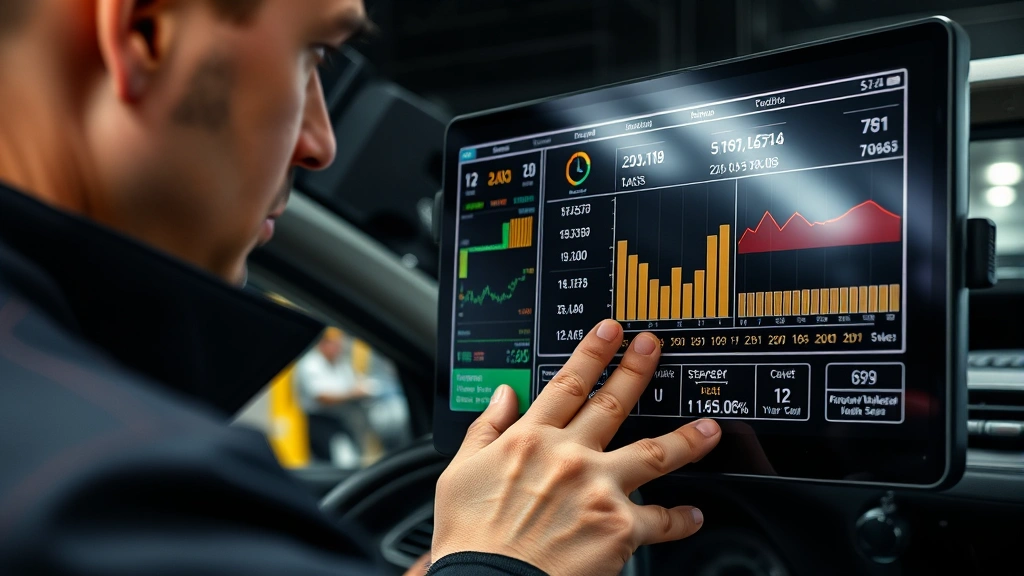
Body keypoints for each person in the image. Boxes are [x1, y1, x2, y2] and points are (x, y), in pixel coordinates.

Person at [0, 1, 722, 575]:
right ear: (144, 32)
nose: (320, 142)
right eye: (311, 53)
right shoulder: (115, 493)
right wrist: (502, 567)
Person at [296, 327, 371, 466]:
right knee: (332, 462)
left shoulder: (340, 363)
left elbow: (353, 382)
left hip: (341, 418)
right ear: (323, 344)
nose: (338, 348)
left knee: (351, 458)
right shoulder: (311, 363)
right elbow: (322, 397)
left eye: (339, 344)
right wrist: (352, 394)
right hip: (320, 421)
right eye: (334, 344)